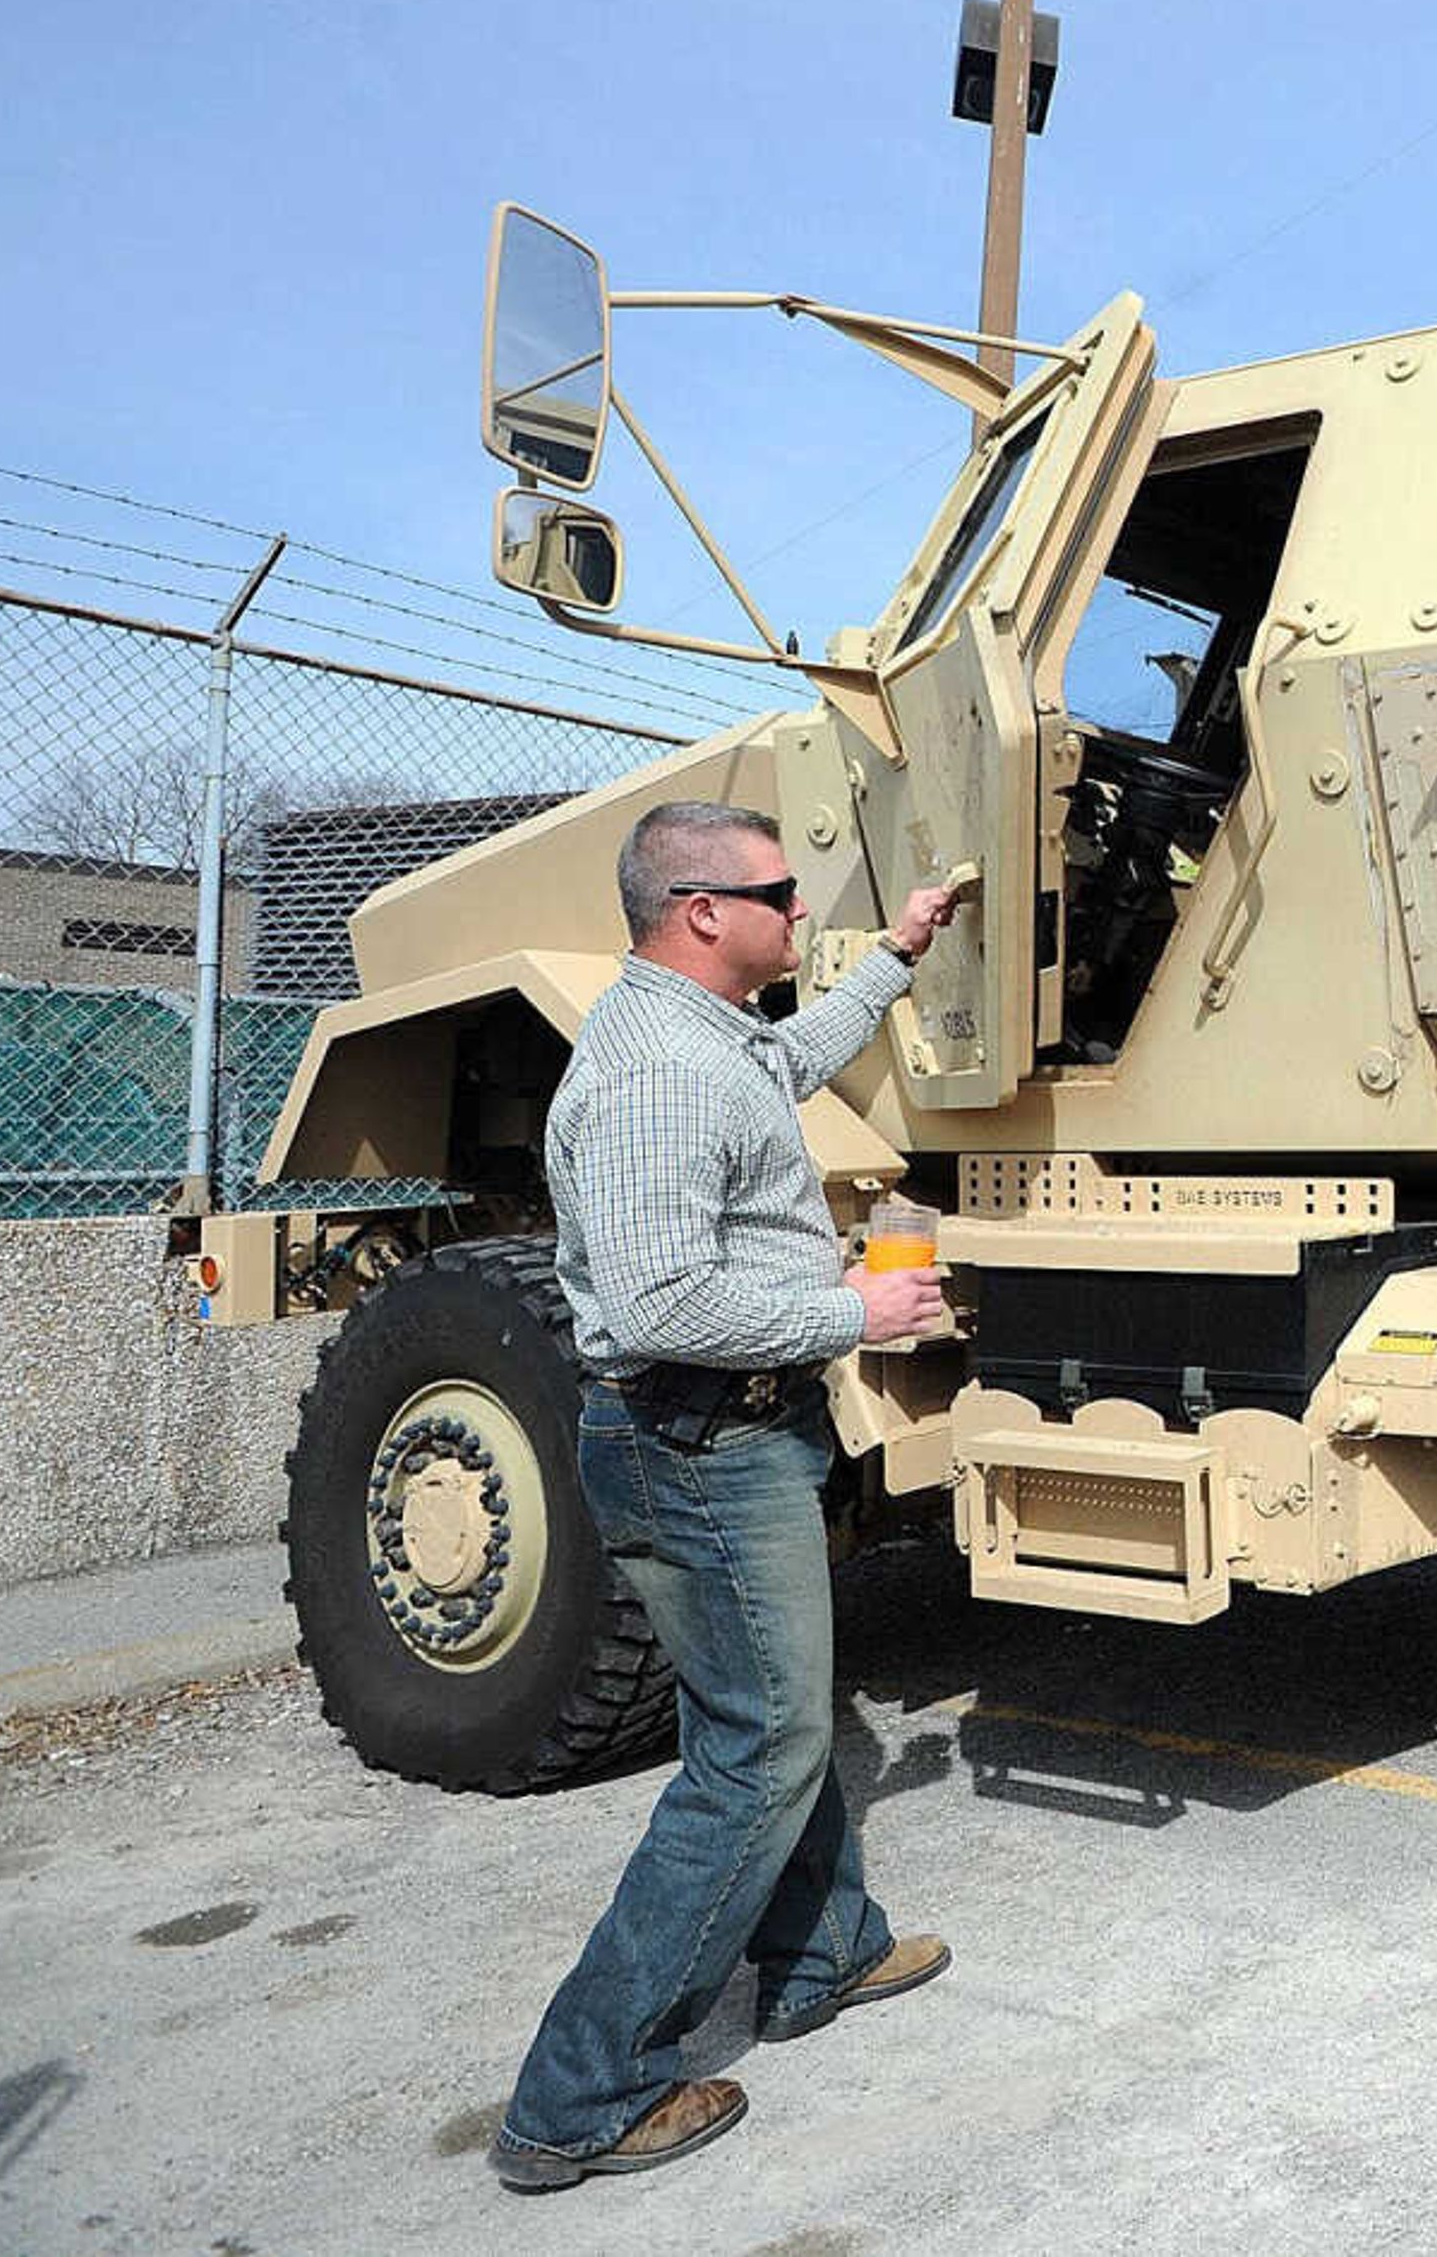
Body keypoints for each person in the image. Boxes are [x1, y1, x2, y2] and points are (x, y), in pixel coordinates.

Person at [489, 799, 966, 2191]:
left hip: (723, 1435)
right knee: (752, 1753)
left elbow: (790, 1057)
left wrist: (901, 953)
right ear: (702, 912)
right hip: (698, 1442)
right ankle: (581, 2093)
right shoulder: (653, 1075)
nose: (797, 912)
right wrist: (851, 1315)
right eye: (779, 892)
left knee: (765, 1713)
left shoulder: (706, 1036)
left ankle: (823, 1954)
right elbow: (659, 1299)